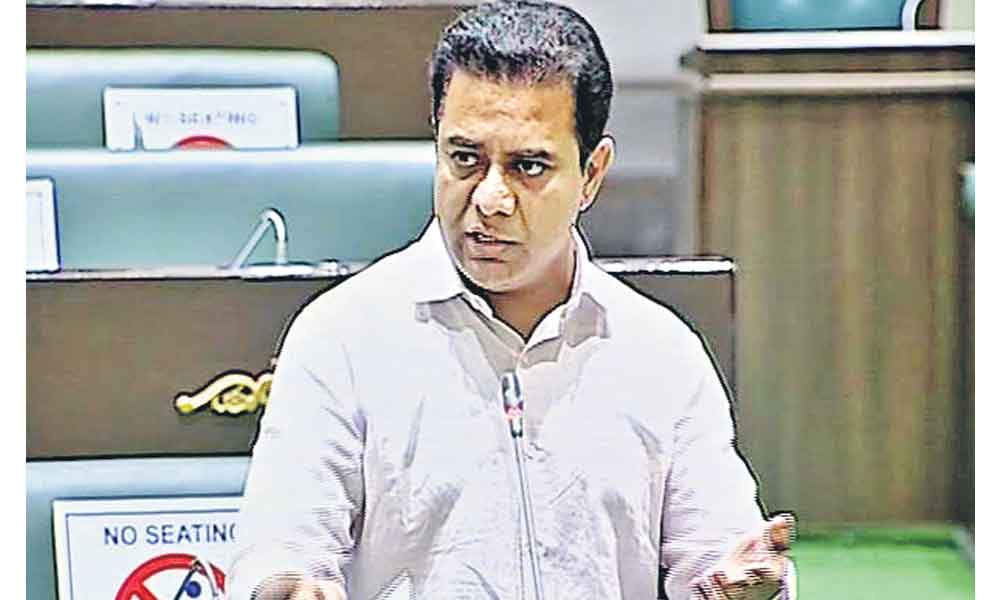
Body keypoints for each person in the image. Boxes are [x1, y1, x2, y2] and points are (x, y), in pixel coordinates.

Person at [228, 1, 795, 599]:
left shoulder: (661, 354)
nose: (491, 199)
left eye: (528, 166)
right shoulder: (340, 338)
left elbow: (719, 558)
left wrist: (744, 587)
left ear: (592, 174)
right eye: (465, 159)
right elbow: (280, 548)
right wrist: (285, 587)